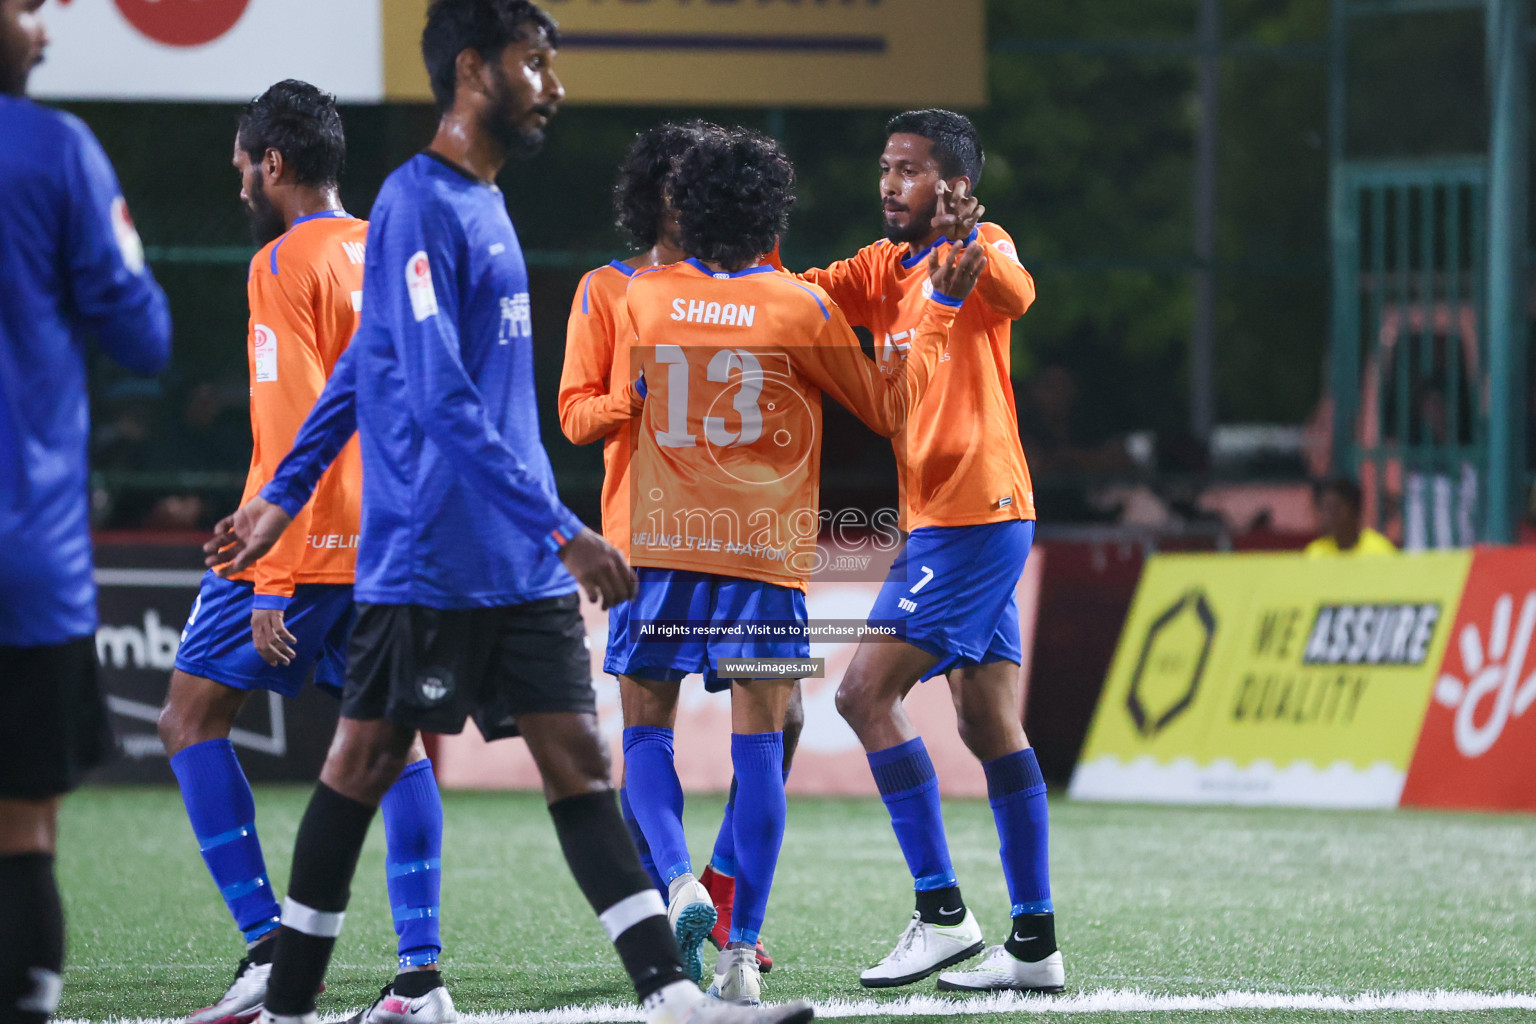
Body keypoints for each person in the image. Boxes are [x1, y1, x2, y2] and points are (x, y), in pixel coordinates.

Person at [202, 5, 812, 1024]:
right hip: (435, 553)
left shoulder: (488, 201)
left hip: (515, 563)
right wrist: (560, 525)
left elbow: (375, 364)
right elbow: (424, 390)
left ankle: (672, 995)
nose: (554, 84)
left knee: (576, 757)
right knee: (360, 760)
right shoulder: (415, 202)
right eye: (537, 63)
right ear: (475, 70)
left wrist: (535, 535)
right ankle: (293, 1001)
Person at [609, 127, 984, 1004]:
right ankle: (740, 953)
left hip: (662, 554)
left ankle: (675, 880)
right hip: (762, 565)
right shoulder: (796, 306)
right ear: (771, 215)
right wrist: (937, 311)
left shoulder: (644, 296)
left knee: (645, 735)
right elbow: (891, 407)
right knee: (762, 750)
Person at [157, 81, 451, 1024]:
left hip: (305, 541)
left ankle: (267, 947)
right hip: (397, 540)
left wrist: (271, 575)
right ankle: (418, 978)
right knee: (392, 744)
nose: (239, 179)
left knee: (189, 717)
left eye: (243, 163)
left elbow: (291, 422)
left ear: (272, 164)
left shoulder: (283, 263)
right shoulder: (400, 245)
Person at [787, 110, 1065, 993]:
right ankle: (1035, 944)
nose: (888, 184)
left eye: (907, 170)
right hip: (943, 523)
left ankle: (942, 914)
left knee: (864, 693)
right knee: (988, 724)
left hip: (975, 516)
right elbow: (802, 295)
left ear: (949, 184)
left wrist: (975, 250)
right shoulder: (881, 270)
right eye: (884, 167)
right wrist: (720, 280)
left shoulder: (980, 248)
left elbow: (1018, 293)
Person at [557, 121, 804, 974]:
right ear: (657, 195)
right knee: (662, 724)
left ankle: (709, 896)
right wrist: (637, 397)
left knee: (785, 719)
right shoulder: (608, 290)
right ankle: (700, 918)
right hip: (649, 535)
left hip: (729, 534)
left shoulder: (755, 284)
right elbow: (576, 415)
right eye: (677, 182)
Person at [0, 1, 173, 1020]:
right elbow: (143, 334)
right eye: (26, 7)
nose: (45, 30)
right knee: (24, 827)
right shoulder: (58, 150)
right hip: (26, 561)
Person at [1304, 477, 1396, 556]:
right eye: (1323, 509)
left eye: (1335, 508)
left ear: (1355, 509)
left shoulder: (1379, 550)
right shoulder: (1316, 552)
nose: (1328, 516)